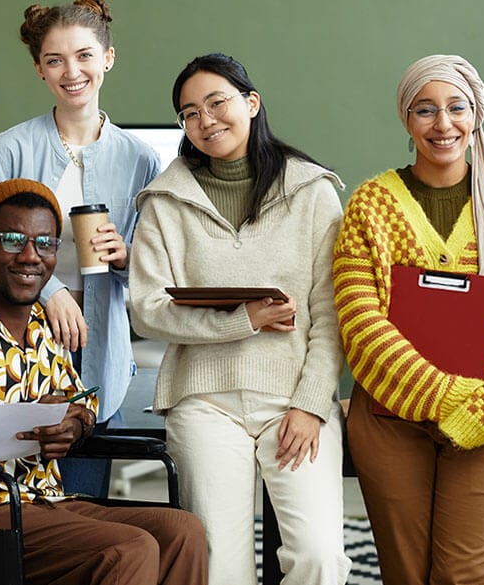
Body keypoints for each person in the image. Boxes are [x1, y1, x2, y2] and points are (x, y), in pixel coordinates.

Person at [0, 179, 208, 585]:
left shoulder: (44, 329)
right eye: (12, 240)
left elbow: (81, 405)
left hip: (47, 500)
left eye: (45, 243)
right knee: (130, 548)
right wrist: (10, 427)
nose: (30, 256)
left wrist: (70, 427)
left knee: (182, 531)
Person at [129, 53, 351, 585]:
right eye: (189, 113)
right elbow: (148, 307)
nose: (205, 120)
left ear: (251, 103)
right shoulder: (163, 202)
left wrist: (311, 405)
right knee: (219, 568)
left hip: (294, 403)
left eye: (217, 102)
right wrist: (242, 320)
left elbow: (332, 313)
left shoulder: (313, 192)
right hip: (203, 402)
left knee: (320, 559)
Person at [332, 54, 484, 585]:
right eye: (425, 110)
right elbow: (361, 326)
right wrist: (453, 398)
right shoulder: (371, 206)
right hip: (390, 420)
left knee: (466, 576)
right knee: (405, 574)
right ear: (407, 119)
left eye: (457, 107)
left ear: (476, 114)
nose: (443, 124)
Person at [0, 0, 161, 497]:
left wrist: (126, 257)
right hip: (5, 359)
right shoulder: (9, 149)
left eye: (85, 55)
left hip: (95, 361)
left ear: (108, 58)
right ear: (39, 69)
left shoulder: (141, 161)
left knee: (82, 511)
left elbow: (156, 273)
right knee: (9, 515)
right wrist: (50, 292)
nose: (72, 71)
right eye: (55, 59)